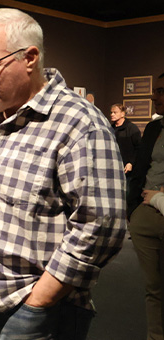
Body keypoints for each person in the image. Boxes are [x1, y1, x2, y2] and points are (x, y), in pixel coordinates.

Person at [0, 8, 126, 340]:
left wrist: (40, 300)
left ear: (29, 58)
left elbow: (102, 225)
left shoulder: (78, 123)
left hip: (28, 312)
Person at [128, 72, 164, 340]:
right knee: (153, 288)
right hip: (146, 214)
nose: (155, 96)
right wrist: (133, 211)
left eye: (161, 91)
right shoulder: (154, 128)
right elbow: (141, 168)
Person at [110, 103, 141, 195]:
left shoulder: (132, 128)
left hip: (127, 171)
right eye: (111, 112)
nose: (112, 114)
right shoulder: (110, 129)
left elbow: (139, 148)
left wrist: (131, 162)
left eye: (115, 112)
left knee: (126, 195)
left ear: (122, 114)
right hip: (114, 169)